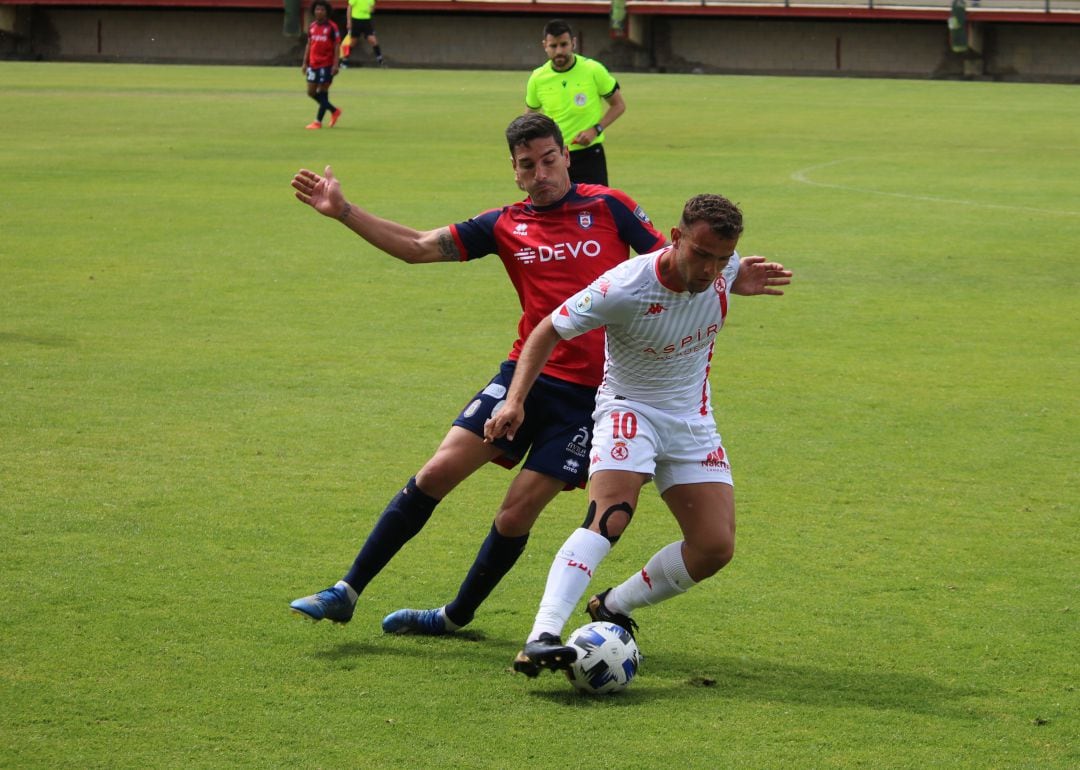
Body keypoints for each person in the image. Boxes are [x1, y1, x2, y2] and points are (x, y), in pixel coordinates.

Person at [287, 114, 789, 637]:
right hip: (525, 375)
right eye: (528, 165)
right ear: (516, 171)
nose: (542, 172)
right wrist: (343, 211)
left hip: (595, 398)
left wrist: (730, 276)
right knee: (436, 471)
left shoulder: (609, 207)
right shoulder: (503, 224)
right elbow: (417, 245)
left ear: (566, 157)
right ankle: (346, 590)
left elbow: (674, 262)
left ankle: (455, 616)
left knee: (516, 512)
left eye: (550, 159)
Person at [482, 194, 788, 677]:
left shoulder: (724, 273)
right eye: (701, 255)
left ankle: (613, 605)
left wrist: (738, 276)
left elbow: (726, 273)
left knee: (714, 548)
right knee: (612, 516)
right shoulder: (623, 286)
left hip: (691, 421)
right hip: (629, 409)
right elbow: (546, 330)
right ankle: (541, 636)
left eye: (721, 259)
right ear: (675, 237)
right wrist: (514, 399)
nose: (710, 270)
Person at [526, 19, 625, 186]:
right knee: (556, 210)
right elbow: (530, 118)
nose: (559, 51)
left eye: (564, 44)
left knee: (596, 209)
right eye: (553, 46)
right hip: (554, 157)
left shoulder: (593, 70)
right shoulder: (538, 77)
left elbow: (619, 105)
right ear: (545, 46)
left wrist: (596, 129)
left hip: (590, 155)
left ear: (573, 43)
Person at [301, 0, 342, 130]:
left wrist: (336, 64)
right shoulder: (312, 26)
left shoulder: (332, 27)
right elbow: (309, 44)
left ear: (327, 12)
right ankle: (334, 110)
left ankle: (317, 121)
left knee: (323, 92)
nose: (319, 11)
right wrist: (304, 62)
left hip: (327, 65)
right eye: (317, 9)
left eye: (322, 10)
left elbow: (337, 45)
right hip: (313, 64)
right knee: (311, 92)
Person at [345, 0, 385, 67]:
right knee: (353, 42)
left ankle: (380, 61)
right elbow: (349, 8)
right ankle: (344, 60)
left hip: (366, 21)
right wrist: (349, 21)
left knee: (373, 40)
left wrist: (371, 9)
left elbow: (372, 10)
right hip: (356, 20)